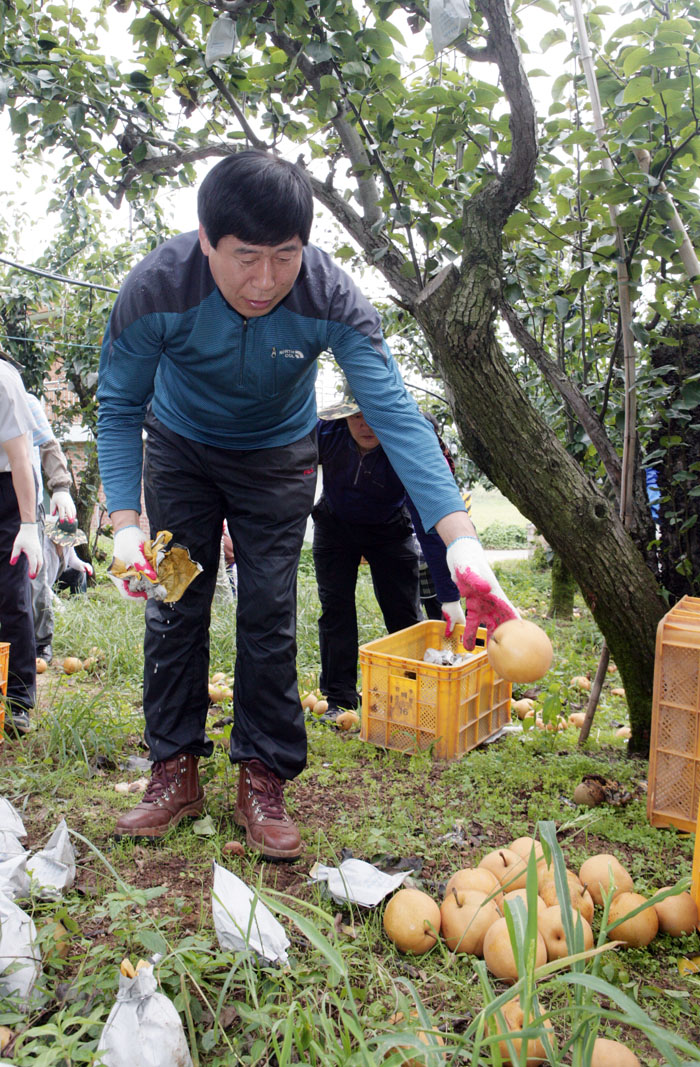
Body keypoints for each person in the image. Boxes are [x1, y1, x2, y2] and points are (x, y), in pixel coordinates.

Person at [96, 149, 517, 861]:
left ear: (306, 246)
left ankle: (263, 776)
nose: (265, 281)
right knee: (173, 601)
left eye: (285, 256)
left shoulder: (331, 298)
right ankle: (173, 772)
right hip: (178, 453)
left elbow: (399, 417)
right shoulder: (156, 289)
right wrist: (124, 522)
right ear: (206, 241)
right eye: (246, 257)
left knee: (267, 609)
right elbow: (117, 406)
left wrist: (462, 542)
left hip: (279, 461)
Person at [313, 394, 466, 720]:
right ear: (343, 418)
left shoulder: (406, 443)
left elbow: (430, 521)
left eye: (373, 416)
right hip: (335, 523)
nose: (365, 426)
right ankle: (339, 697)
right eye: (356, 417)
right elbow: (289, 473)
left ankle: (414, 688)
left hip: (390, 527)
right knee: (335, 609)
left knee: (402, 611)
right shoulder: (325, 433)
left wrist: (450, 596)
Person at [0, 354, 43, 736]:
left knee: (11, 595)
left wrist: (28, 524)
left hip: (6, 492)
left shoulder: (2, 379)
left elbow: (21, 458)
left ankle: (17, 700)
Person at [25, 393, 80, 663]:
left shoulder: (25, 401)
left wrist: (60, 487)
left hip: (26, 507)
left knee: (34, 577)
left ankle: (40, 643)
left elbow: (48, 445)